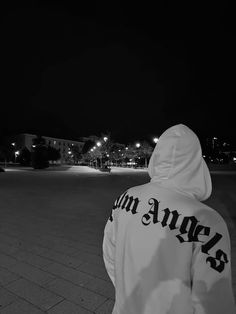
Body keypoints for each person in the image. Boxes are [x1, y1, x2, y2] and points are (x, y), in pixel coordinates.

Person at [102, 124, 236, 314]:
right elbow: (214, 301)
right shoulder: (208, 220)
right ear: (195, 162)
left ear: (157, 157)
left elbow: (109, 254)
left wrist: (128, 295)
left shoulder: (125, 197)